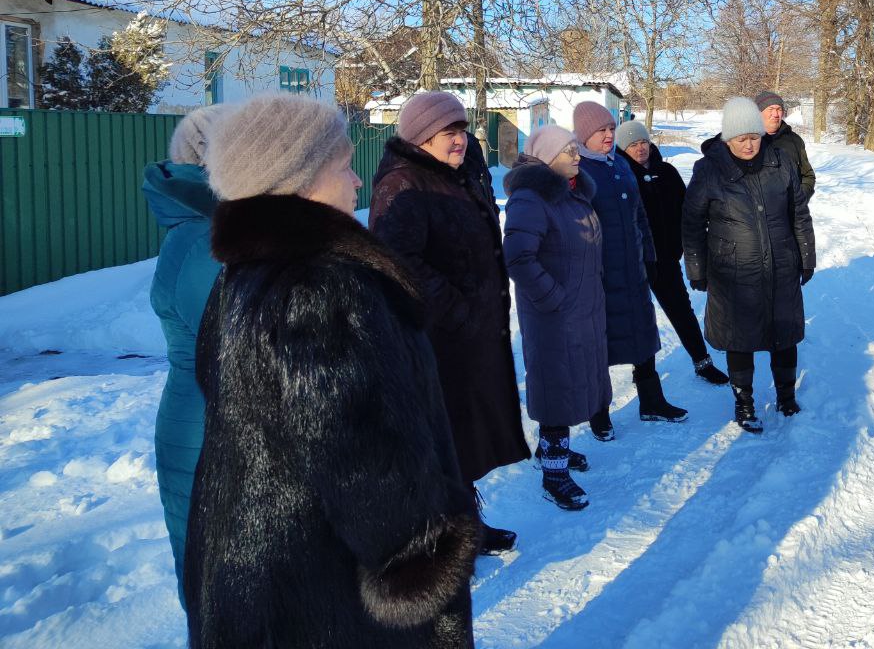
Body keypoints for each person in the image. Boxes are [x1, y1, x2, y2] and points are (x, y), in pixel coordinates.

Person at [187, 94, 478, 649]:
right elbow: (362, 457)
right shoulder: (325, 286)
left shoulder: (239, 277)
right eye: (344, 165)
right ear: (300, 178)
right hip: (324, 594)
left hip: (249, 574)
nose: (359, 182)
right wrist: (420, 564)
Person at [369, 91, 530, 553]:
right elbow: (399, 264)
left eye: (461, 131)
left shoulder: (452, 175)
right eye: (448, 133)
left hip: (469, 336)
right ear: (422, 138)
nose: (459, 141)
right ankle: (437, 540)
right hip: (436, 337)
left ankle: (464, 525)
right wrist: (459, 309)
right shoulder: (403, 185)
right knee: (441, 439)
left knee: (462, 435)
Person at [682, 97, 816, 433]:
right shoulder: (709, 169)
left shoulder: (780, 161)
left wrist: (806, 256)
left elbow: (799, 213)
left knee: (784, 335)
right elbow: (692, 222)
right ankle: (744, 404)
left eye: (754, 137)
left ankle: (786, 397)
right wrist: (696, 268)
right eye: (741, 139)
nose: (749, 145)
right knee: (738, 339)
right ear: (727, 139)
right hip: (733, 272)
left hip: (781, 266)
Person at [141, 104, 226, 610]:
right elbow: (232, 351)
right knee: (218, 588)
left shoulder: (204, 227)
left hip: (203, 424)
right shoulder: (205, 239)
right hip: (205, 435)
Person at [502, 125, 611, 511]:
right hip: (553, 315)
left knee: (575, 380)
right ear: (548, 158)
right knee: (555, 387)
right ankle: (553, 472)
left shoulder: (572, 193)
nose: (577, 155)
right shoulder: (531, 199)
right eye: (568, 150)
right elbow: (518, 257)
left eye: (575, 148)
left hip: (581, 308)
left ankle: (557, 450)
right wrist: (552, 298)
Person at [573, 101, 687, 439]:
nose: (609, 135)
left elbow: (639, 217)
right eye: (601, 131)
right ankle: (599, 412)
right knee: (600, 343)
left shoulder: (620, 166)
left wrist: (649, 255)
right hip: (600, 276)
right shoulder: (578, 172)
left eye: (611, 129)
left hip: (634, 268)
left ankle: (652, 401)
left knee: (642, 334)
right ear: (583, 135)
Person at [614, 117, 729, 386]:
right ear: (622, 148)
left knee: (682, 310)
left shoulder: (667, 172)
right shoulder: (619, 176)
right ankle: (642, 374)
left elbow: (687, 211)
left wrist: (683, 246)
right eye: (633, 144)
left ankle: (702, 363)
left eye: (643, 142)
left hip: (665, 258)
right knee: (639, 319)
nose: (640, 148)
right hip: (635, 261)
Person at [755, 90, 816, 199]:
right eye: (770, 109)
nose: (775, 114)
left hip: (788, 213)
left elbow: (808, 175)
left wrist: (800, 197)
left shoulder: (794, 140)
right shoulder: (746, 140)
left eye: (778, 109)